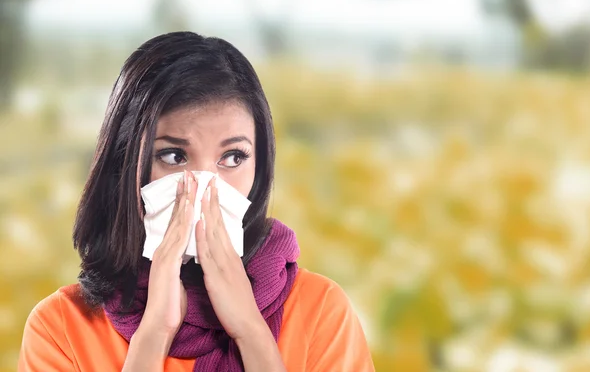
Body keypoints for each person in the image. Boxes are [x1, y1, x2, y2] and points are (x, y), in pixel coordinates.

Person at [18, 32, 374, 371]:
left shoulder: (320, 310)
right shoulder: (62, 326)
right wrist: (154, 334)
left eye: (233, 157)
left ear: (261, 167)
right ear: (125, 164)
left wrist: (251, 332)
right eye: (174, 156)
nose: (204, 187)